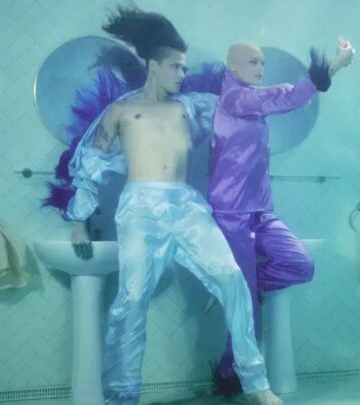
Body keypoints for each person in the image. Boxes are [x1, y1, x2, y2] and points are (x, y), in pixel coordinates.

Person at [66, 7, 283, 405]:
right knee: (132, 299)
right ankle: (122, 396)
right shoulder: (120, 111)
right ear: (153, 66)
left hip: (186, 205)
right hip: (140, 207)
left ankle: (256, 383)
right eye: (175, 67)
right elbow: (90, 163)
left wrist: (305, 85)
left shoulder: (192, 106)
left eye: (185, 67)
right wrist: (79, 220)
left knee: (232, 279)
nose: (182, 74)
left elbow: (241, 106)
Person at [210, 40, 355, 395]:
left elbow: (279, 100)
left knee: (301, 264)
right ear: (231, 66)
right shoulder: (233, 98)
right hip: (230, 213)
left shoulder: (250, 102)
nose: (260, 68)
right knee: (246, 306)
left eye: (262, 62)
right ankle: (230, 373)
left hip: (261, 210)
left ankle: (248, 289)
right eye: (252, 62)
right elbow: (285, 98)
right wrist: (333, 65)